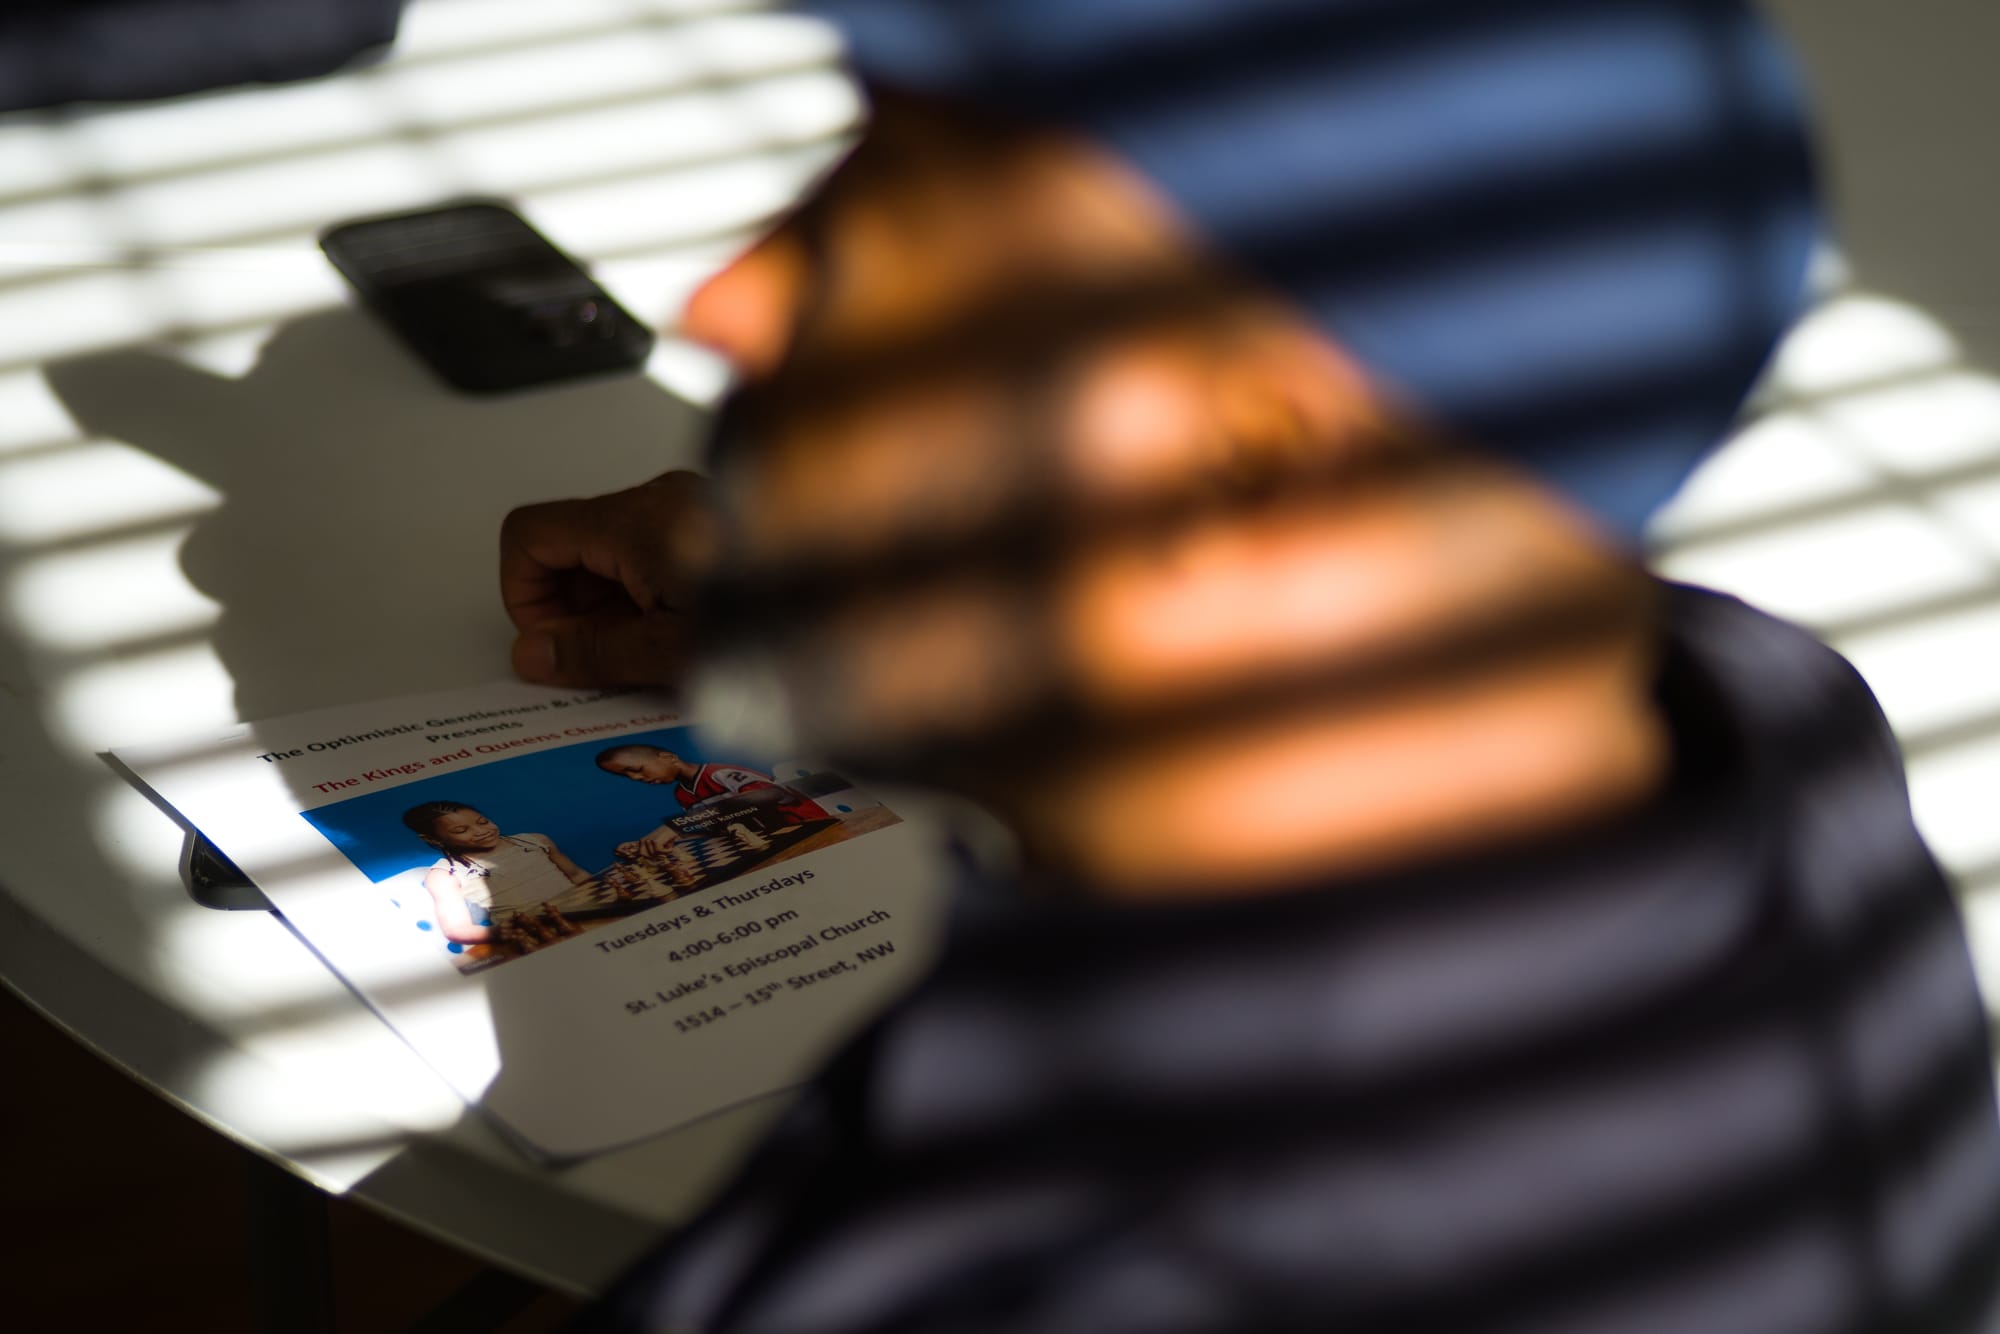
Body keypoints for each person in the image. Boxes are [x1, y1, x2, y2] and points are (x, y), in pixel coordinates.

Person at [497, 1, 2000, 1329]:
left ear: (1258, 475)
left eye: (890, 199)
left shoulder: (1096, 1265)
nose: (727, 296)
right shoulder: (1749, 712)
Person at [401, 801, 592, 957]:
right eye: (461, 830)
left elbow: (575, 874)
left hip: (587, 913)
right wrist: (497, 932)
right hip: (536, 934)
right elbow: (456, 930)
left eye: (483, 822)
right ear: (433, 839)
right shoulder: (445, 875)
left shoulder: (535, 841)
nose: (481, 831)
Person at [597, 744, 832, 860]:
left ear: (668, 757)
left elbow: (772, 794)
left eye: (636, 769)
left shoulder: (720, 774)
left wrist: (677, 824)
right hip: (772, 846)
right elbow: (720, 829)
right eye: (626, 776)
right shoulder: (683, 795)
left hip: (813, 833)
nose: (636, 778)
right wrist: (678, 837)